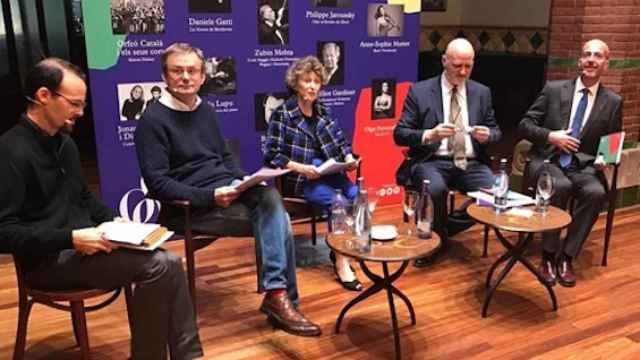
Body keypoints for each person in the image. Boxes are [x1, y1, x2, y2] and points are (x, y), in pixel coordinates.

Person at [0, 58, 203, 359]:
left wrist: (116, 221)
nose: (80, 113)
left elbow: (83, 198)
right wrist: (71, 239)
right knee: (158, 266)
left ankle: (189, 356)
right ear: (44, 96)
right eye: (74, 104)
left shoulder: (63, 144)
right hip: (48, 262)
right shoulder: (10, 151)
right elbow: (5, 233)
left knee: (170, 261)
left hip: (86, 248)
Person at [134, 43, 321, 337]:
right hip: (190, 207)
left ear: (202, 76)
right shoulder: (152, 120)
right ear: (165, 76)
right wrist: (209, 197)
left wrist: (245, 180)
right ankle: (281, 299)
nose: (185, 77)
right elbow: (157, 183)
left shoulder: (205, 110)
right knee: (279, 219)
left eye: (192, 70)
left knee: (269, 196)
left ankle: (278, 298)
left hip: (227, 193)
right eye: (177, 70)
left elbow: (223, 158)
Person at [519, 39, 622, 288]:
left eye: (597, 56)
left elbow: (613, 140)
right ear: (579, 61)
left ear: (605, 64)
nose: (591, 59)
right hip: (548, 160)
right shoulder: (554, 89)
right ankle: (547, 255)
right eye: (587, 54)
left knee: (597, 192)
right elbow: (525, 125)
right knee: (560, 186)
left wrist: (604, 159)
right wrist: (550, 136)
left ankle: (566, 256)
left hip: (583, 167)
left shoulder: (612, 101)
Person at [393, 38, 502, 267]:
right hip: (432, 160)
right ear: (444, 61)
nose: (463, 72)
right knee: (435, 189)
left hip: (470, 163)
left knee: (495, 194)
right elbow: (400, 134)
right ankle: (438, 241)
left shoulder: (482, 92)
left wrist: (488, 135)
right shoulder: (420, 91)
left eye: (468, 66)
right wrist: (429, 135)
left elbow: (496, 131)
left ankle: (445, 228)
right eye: (457, 66)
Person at [264, 56, 362, 292]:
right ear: (296, 83)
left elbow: (341, 142)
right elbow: (272, 155)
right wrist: (300, 167)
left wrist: (348, 159)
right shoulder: (283, 114)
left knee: (357, 195)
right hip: (300, 177)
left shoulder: (322, 110)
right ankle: (341, 261)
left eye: (316, 81)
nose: (312, 86)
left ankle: (344, 247)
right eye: (307, 81)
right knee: (338, 202)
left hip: (327, 170)